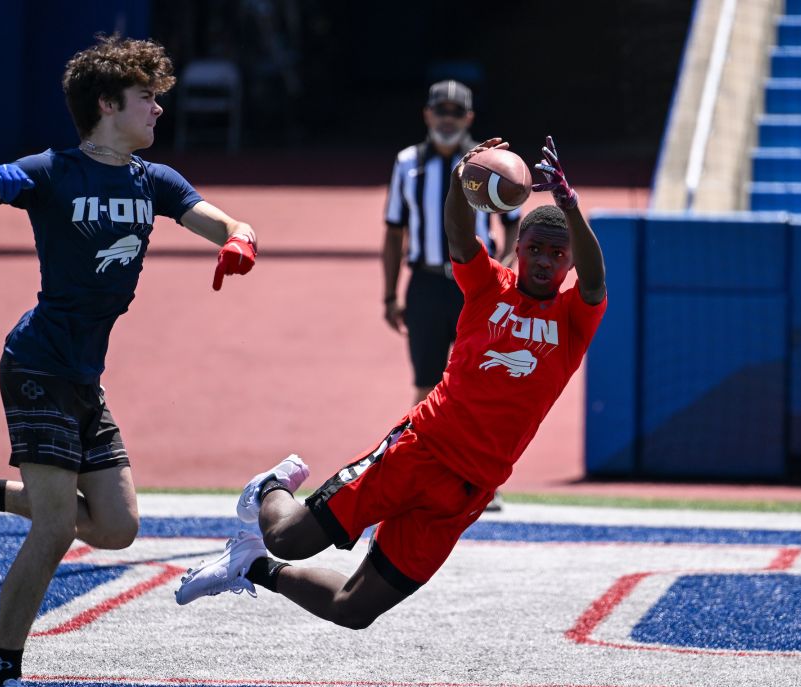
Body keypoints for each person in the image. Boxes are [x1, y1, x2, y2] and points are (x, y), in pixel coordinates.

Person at [0, 35, 259, 687]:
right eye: (147, 98)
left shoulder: (154, 182)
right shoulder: (52, 171)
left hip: (82, 376)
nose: (159, 109)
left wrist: (237, 241)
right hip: (37, 364)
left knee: (115, 526)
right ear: (108, 105)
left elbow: (224, 219)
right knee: (53, 529)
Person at [173, 136, 606, 630]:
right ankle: (270, 488)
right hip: (420, 450)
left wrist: (569, 206)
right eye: (535, 250)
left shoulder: (573, 318)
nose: (546, 260)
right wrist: (457, 184)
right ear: (518, 250)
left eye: (557, 254)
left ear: (569, 261)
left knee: (353, 610)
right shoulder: (490, 286)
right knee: (288, 538)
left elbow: (594, 283)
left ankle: (250, 567)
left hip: (469, 491)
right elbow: (462, 240)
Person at [385, 80, 520, 512]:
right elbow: (394, 230)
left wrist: (508, 267)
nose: (447, 119)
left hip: (475, 287)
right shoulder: (407, 162)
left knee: (476, 383)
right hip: (424, 282)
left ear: (469, 119)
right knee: (427, 383)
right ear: (427, 115)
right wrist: (389, 295)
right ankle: (416, 473)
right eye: (440, 110)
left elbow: (515, 219)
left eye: (455, 112)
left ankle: (481, 480)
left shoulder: (488, 164)